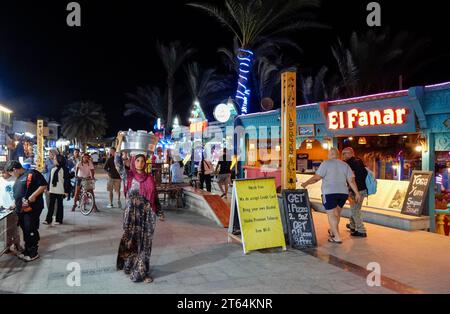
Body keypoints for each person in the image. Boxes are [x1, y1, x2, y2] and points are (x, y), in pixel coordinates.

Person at [301, 148, 361, 244]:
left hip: (329, 192)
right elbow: (351, 181)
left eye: (328, 154)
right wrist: (357, 193)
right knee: (336, 214)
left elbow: (316, 178)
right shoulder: (345, 165)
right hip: (343, 193)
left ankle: (337, 237)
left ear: (331, 154)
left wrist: (306, 183)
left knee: (331, 214)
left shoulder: (326, 163)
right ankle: (333, 231)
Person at [117, 155, 160, 283]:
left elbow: (155, 196)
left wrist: (160, 212)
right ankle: (130, 265)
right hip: (131, 216)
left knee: (145, 245)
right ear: (133, 162)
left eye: (142, 161)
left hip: (147, 216)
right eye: (137, 160)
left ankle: (141, 271)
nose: (140, 163)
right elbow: (118, 164)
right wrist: (120, 148)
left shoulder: (150, 178)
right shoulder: (128, 176)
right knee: (131, 242)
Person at [6, 160, 48, 262]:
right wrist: (15, 204)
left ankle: (33, 252)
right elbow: (20, 194)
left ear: (15, 169)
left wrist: (33, 195)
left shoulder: (32, 173)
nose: (11, 175)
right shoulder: (18, 178)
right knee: (25, 229)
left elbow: (43, 185)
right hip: (22, 209)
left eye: (11, 173)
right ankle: (27, 250)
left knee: (30, 228)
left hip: (32, 208)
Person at [342, 147, 368, 237]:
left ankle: (361, 230)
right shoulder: (359, 161)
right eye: (343, 153)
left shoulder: (349, 163)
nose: (343, 155)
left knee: (355, 211)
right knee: (355, 209)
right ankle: (352, 226)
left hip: (356, 191)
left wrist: (350, 190)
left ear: (351, 153)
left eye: (345, 153)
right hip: (363, 190)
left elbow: (351, 180)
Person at [0, 163, 22, 254]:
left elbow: (19, 195)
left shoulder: (15, 180)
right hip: (3, 208)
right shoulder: (0, 180)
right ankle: (7, 246)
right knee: (5, 229)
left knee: (14, 228)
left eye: (4, 173)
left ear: (9, 172)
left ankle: (17, 244)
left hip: (13, 208)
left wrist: (15, 204)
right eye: (1, 173)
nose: (2, 175)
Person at [44, 155, 71, 225]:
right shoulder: (53, 168)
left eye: (55, 159)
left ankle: (59, 220)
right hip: (52, 190)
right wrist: (48, 188)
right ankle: (48, 219)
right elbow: (50, 179)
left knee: (59, 205)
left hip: (60, 190)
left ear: (59, 160)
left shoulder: (64, 169)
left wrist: (66, 191)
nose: (53, 160)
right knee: (51, 205)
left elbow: (67, 181)